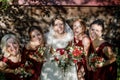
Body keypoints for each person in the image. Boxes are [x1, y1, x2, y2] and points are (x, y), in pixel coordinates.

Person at [40, 15, 78, 80]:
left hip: (66, 63)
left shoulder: (69, 35)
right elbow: (44, 52)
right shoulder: (47, 36)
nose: (59, 27)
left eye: (61, 24)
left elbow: (72, 49)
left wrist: (67, 55)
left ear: (64, 25)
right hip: (52, 64)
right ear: (53, 26)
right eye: (56, 24)